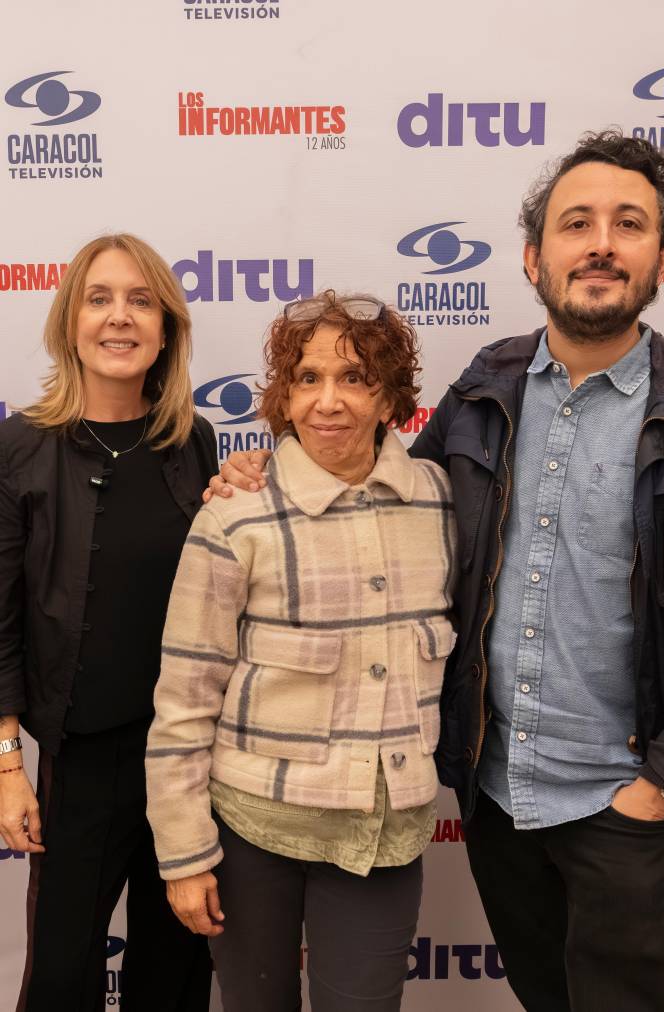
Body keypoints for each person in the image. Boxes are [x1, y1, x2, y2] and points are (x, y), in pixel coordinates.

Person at [210, 131, 664, 1011]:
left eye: (629, 224)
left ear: (663, 258)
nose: (601, 242)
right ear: (535, 256)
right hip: (498, 802)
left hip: (630, 809)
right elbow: (380, 504)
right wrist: (266, 470)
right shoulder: (485, 389)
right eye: (577, 223)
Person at [146, 291, 455, 1012]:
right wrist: (185, 853)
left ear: (391, 399)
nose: (329, 402)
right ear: (282, 396)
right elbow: (186, 699)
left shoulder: (440, 502)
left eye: (355, 379)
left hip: (382, 837)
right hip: (254, 833)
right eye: (308, 379)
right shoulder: (235, 514)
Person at [0, 233, 215, 1011]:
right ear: (70, 323)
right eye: (99, 298)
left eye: (140, 300)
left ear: (165, 329)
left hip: (190, 763)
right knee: (60, 978)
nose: (119, 318)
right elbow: (2, 625)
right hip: (79, 766)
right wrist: (5, 766)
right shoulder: (20, 449)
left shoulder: (194, 443)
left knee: (177, 974)